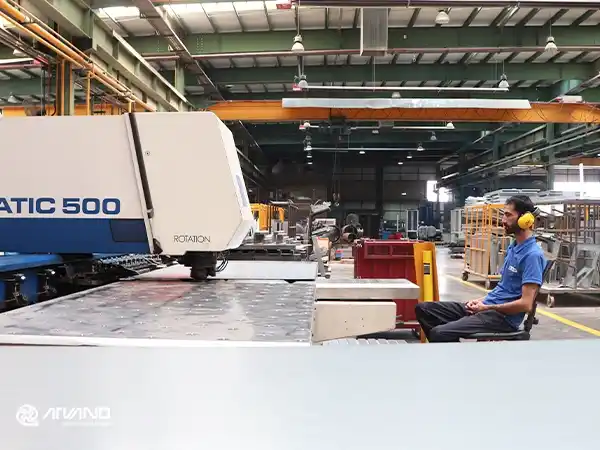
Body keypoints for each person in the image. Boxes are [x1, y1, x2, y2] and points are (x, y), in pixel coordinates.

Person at [415, 195, 547, 343]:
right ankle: (453, 346)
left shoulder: (532, 255)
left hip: (502, 319)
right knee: (424, 309)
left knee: (439, 333)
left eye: (508, 215)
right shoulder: (514, 247)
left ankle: (452, 349)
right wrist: (478, 301)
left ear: (525, 219)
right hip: (488, 308)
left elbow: (526, 304)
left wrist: (486, 308)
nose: (503, 220)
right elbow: (503, 289)